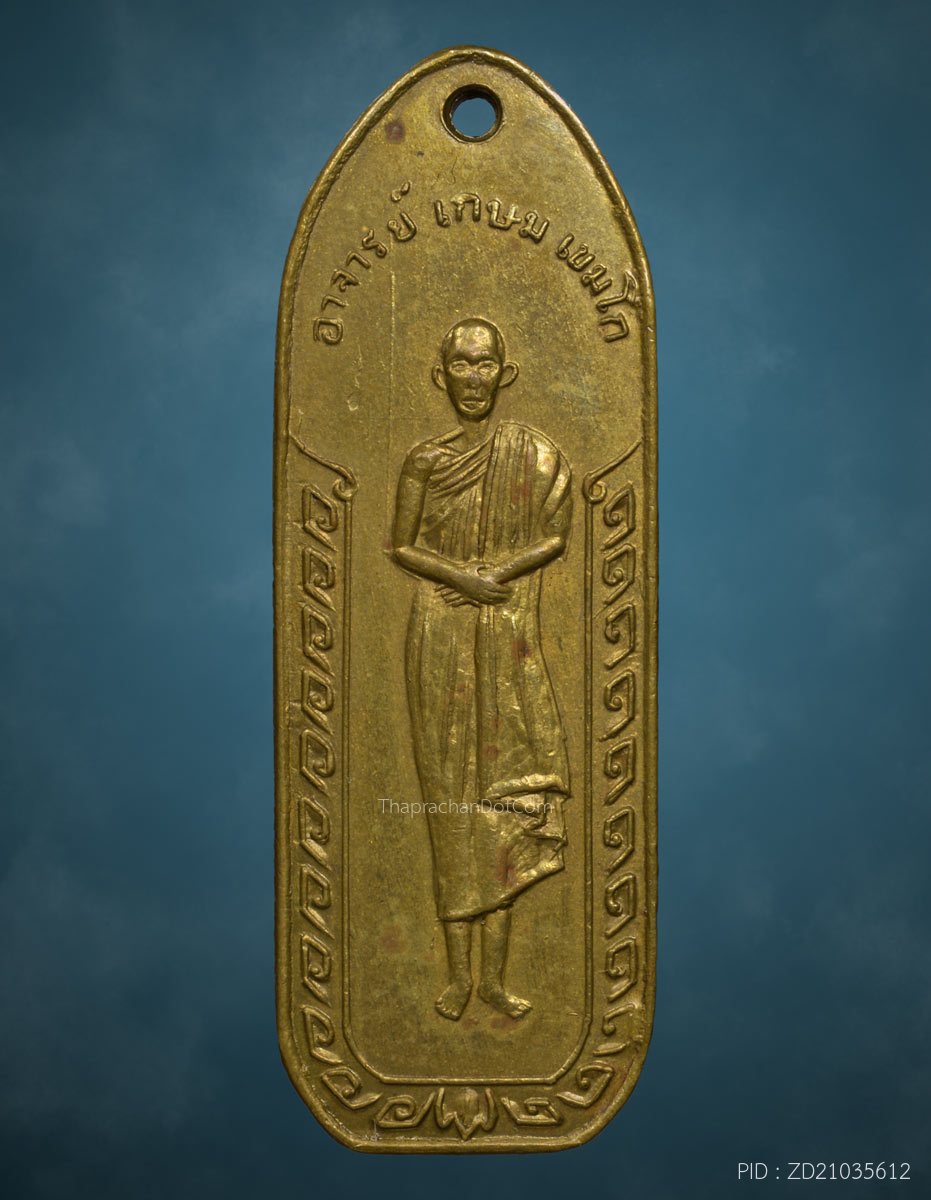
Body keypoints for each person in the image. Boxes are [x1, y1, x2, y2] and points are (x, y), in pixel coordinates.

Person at [391, 317, 572, 1021]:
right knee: (449, 804)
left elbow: (554, 536)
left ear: (505, 372)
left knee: (502, 808)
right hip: (439, 631)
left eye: (484, 363)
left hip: (505, 629)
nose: (472, 377)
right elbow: (402, 546)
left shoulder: (533, 453)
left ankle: (493, 980)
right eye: (460, 365)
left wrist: (498, 572)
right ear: (441, 376)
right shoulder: (425, 461)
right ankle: (455, 977)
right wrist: (461, 579)